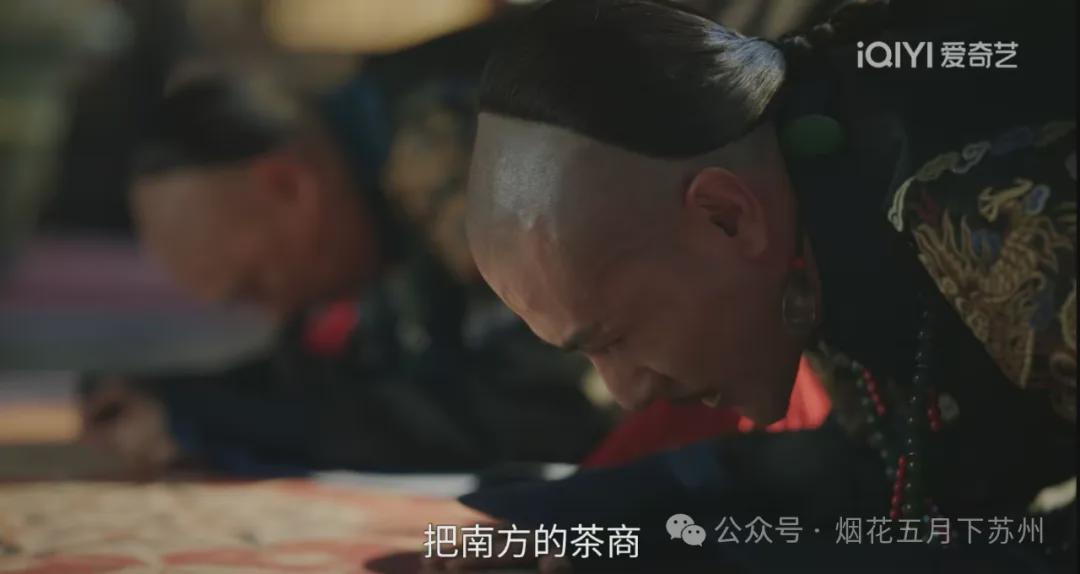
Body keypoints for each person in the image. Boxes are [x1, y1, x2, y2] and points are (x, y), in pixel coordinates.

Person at [442, 0, 1075, 571]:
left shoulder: (985, 196)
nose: (628, 392)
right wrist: (553, 522)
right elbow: (897, 473)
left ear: (727, 217)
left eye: (614, 339)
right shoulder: (811, 183)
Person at [79, 26, 615, 475]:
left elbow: (547, 409)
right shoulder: (361, 170)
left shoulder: (440, 140)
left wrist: (213, 419)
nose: (274, 313)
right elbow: (352, 378)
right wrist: (176, 398)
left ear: (290, 188)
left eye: (255, 285)